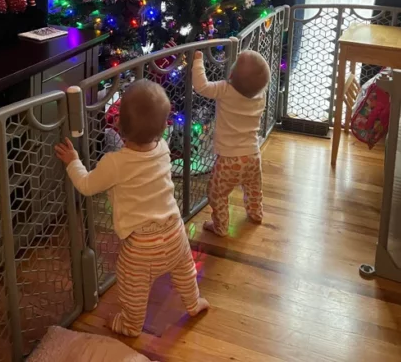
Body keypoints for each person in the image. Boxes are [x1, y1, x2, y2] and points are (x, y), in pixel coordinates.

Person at [55, 79, 209, 337]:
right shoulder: (161, 149)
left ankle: (130, 324)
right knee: (185, 272)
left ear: (118, 125)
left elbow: (86, 184)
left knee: (132, 287)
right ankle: (194, 303)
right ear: (163, 128)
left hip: (141, 247)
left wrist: (73, 162)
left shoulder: (114, 162)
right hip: (175, 233)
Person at [192, 49, 270, 237]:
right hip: (253, 156)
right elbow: (254, 83)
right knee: (253, 188)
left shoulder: (224, 89)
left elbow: (201, 86)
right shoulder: (261, 96)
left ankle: (221, 226)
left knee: (217, 194)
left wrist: (198, 61)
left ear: (231, 75)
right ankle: (256, 213)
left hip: (229, 160)